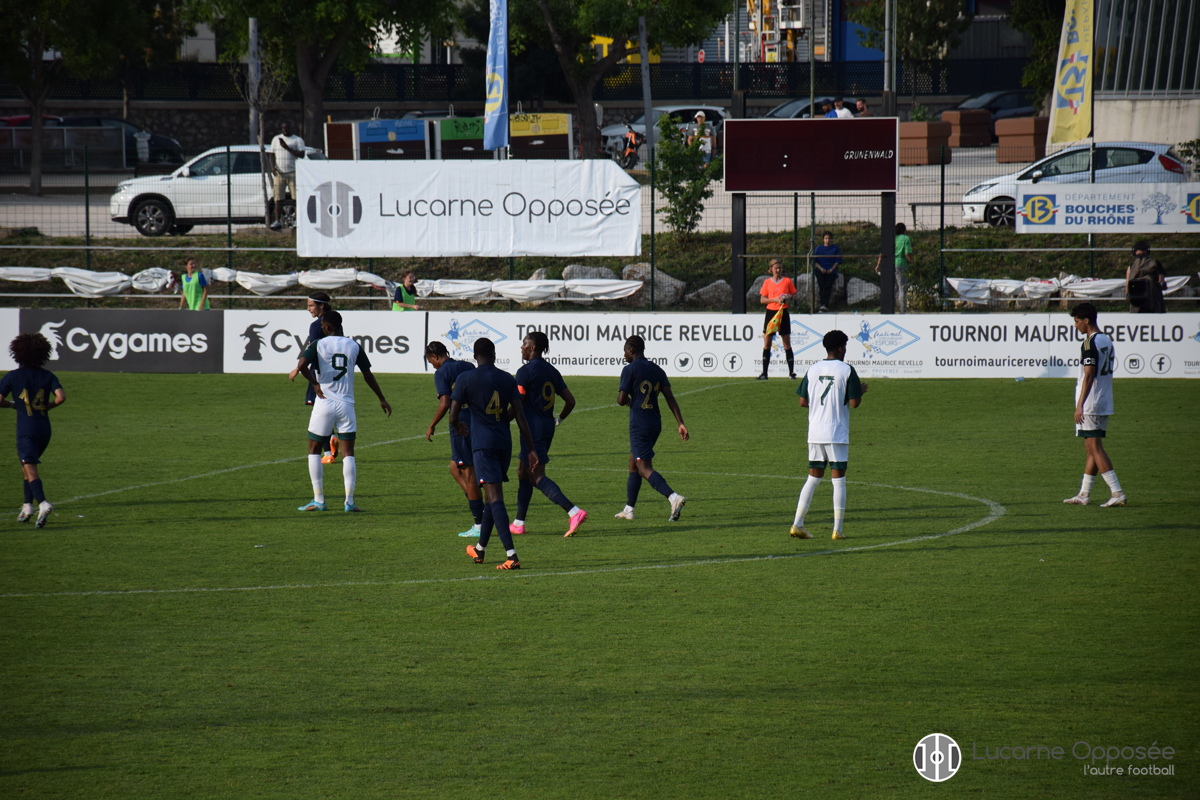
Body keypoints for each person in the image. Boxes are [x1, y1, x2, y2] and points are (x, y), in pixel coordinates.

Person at [449, 338, 539, 570]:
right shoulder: (507, 378)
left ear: (475, 355)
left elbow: (453, 415)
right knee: (490, 497)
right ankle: (480, 549)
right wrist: (530, 448)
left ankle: (511, 555)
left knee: (495, 496)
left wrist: (458, 426)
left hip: (483, 445)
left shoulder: (465, 379)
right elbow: (519, 414)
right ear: (493, 353)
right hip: (504, 443)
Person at [295, 311, 392, 512]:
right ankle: (349, 501)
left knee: (314, 449)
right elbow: (367, 374)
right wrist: (381, 398)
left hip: (324, 402)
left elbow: (302, 365)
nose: (322, 328)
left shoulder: (319, 344)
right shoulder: (353, 346)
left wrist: (314, 384)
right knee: (348, 454)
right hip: (347, 405)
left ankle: (319, 500)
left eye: (323, 326)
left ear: (327, 327)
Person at [791, 330, 868, 540]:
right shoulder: (847, 370)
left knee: (813, 478)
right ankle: (837, 530)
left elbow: (802, 401)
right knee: (839, 480)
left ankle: (797, 523)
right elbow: (854, 403)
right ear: (841, 348)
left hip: (815, 431)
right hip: (836, 432)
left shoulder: (813, 369)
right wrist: (859, 392)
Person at [511, 331, 588, 537]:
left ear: (533, 347)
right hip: (546, 427)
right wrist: (559, 419)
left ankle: (574, 511)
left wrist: (499, 420)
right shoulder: (552, 371)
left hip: (532, 430)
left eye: (524, 343)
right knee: (522, 471)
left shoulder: (524, 372)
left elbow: (518, 403)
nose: (521, 347)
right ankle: (518, 522)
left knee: (536, 476)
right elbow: (570, 401)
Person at [615, 335, 689, 521]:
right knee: (633, 463)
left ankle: (673, 497)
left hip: (639, 425)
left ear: (631, 351)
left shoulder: (629, 369)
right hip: (655, 423)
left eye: (625, 351)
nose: (624, 355)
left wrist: (625, 400)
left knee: (644, 468)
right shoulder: (658, 369)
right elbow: (670, 397)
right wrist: (680, 423)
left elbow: (621, 399)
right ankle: (629, 509)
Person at [1063, 303, 1126, 507]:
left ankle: (1117, 492)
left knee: (1095, 447)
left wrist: (1080, 405)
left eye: (1077, 322)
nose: (1075, 326)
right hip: (1103, 399)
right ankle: (1084, 494)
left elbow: (1089, 374)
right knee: (1090, 447)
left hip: (1092, 402)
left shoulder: (1089, 343)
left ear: (1086, 320)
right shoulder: (1106, 339)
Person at [0, 333, 66, 528]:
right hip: (44, 430)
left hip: (26, 430)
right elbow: (61, 397)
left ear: (17, 354)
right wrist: (47, 406)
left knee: (29, 467)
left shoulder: (12, 376)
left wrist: (12, 405)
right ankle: (27, 506)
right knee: (26, 466)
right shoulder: (48, 376)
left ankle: (43, 503)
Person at [424, 341, 485, 538]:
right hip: (478, 418)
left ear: (435, 357)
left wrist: (432, 424)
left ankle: (480, 523)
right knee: (454, 468)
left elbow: (445, 403)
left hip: (461, 423)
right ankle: (482, 509)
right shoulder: (467, 365)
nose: (433, 366)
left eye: (431, 362)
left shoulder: (442, 372)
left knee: (469, 473)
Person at [289, 292, 338, 463]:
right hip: (334, 373)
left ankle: (328, 452)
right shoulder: (335, 322)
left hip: (318, 373)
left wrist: (298, 368)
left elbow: (313, 350)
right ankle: (332, 439)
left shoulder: (317, 325)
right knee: (328, 407)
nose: (308, 309)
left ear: (321, 305)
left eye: (311, 305)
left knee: (319, 412)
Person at [757, 259, 797, 380]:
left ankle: (791, 373)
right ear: (771, 269)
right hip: (771, 313)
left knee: (786, 343)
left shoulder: (787, 281)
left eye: (779, 268)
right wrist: (774, 300)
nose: (778, 270)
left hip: (783, 312)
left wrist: (788, 298)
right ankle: (764, 373)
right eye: (776, 268)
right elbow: (762, 299)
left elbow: (794, 294)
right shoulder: (767, 282)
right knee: (767, 343)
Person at [269, 122, 305, 231]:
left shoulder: (297, 140)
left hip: (293, 172)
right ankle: (277, 221)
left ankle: (297, 220)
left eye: (287, 128)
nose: (285, 130)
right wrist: (272, 167)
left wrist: (287, 147)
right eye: (283, 128)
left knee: (295, 198)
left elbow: (302, 154)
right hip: (279, 173)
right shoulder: (276, 139)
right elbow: (271, 154)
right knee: (278, 198)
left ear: (291, 128)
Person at [876, 222, 913, 313]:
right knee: (902, 288)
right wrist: (913, 262)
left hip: (890, 264)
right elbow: (907, 253)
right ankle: (902, 310)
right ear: (904, 230)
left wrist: (878, 265)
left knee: (894, 288)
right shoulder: (906, 238)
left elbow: (882, 253)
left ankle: (891, 308)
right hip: (901, 264)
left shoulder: (891, 238)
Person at [1125, 240, 1167, 313]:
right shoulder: (1156, 264)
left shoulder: (1131, 267)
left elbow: (1127, 287)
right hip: (1153, 302)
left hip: (1136, 303)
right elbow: (1161, 283)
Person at [812, 231, 842, 312]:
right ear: (823, 239)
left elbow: (837, 261)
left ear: (831, 239)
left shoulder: (835, 248)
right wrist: (821, 268)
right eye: (826, 238)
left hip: (831, 270)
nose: (827, 240)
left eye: (829, 238)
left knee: (828, 285)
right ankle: (822, 304)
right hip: (820, 270)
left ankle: (825, 304)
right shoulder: (818, 248)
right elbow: (815, 262)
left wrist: (831, 269)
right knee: (821, 285)